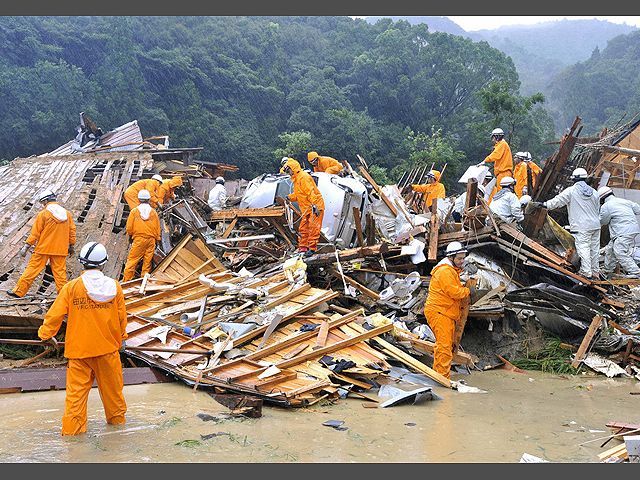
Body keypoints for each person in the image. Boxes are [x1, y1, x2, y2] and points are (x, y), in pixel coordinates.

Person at [38, 241, 127, 436]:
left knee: (75, 401)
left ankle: (72, 442)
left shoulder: (72, 288)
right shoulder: (115, 288)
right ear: (103, 263)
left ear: (82, 263)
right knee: (114, 399)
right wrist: (121, 340)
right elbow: (121, 319)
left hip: (79, 353)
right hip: (108, 353)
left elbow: (54, 316)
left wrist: (45, 335)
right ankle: (119, 437)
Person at [531, 168, 601, 279]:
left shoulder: (572, 190)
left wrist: (544, 205)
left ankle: (586, 272)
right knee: (594, 249)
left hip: (581, 226)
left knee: (583, 248)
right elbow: (598, 209)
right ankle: (595, 272)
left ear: (574, 179)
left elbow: (558, 201)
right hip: (595, 225)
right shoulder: (594, 193)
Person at [8, 190, 76, 298]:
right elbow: (72, 231)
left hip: (43, 248)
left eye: (43, 202)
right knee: (60, 275)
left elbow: (35, 233)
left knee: (32, 270)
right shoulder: (67, 214)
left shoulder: (43, 214)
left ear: (46, 200)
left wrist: (27, 246)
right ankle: (64, 298)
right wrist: (71, 245)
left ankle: (19, 292)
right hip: (60, 249)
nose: (43, 205)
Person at [424, 241, 471, 379]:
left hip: (445, 312)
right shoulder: (445, 271)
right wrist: (468, 290)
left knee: (444, 347)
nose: (462, 261)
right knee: (444, 347)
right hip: (439, 312)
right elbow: (454, 292)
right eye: (459, 258)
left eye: (463, 258)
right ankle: (442, 379)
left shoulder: (450, 270)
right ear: (451, 257)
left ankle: (439, 375)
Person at [280, 157, 325, 256]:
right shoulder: (296, 179)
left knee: (313, 228)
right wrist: (289, 198)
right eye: (287, 171)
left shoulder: (303, 177)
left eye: (289, 170)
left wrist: (315, 205)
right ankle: (303, 248)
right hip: (307, 209)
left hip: (315, 206)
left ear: (293, 167)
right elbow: (299, 195)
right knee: (303, 229)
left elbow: (310, 192)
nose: (288, 173)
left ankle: (312, 249)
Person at [598, 186, 640, 278]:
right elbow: (638, 209)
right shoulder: (624, 201)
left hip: (622, 232)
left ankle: (636, 272)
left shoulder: (606, 206)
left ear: (602, 199)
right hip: (631, 229)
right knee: (610, 249)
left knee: (620, 251)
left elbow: (603, 221)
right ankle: (608, 270)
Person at [122, 190, 161, 282]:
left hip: (139, 240)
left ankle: (126, 281)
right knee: (147, 262)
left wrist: (131, 236)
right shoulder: (153, 212)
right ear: (148, 200)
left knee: (132, 261)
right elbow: (158, 227)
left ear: (139, 199)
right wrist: (157, 239)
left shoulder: (134, 211)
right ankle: (144, 281)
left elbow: (129, 227)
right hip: (151, 240)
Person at [479, 128, 513, 202]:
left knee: (503, 195)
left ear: (497, 137)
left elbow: (495, 155)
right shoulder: (501, 145)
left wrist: (485, 161)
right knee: (501, 194)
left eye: (493, 137)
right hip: (501, 173)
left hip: (504, 173)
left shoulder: (502, 144)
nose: (492, 140)